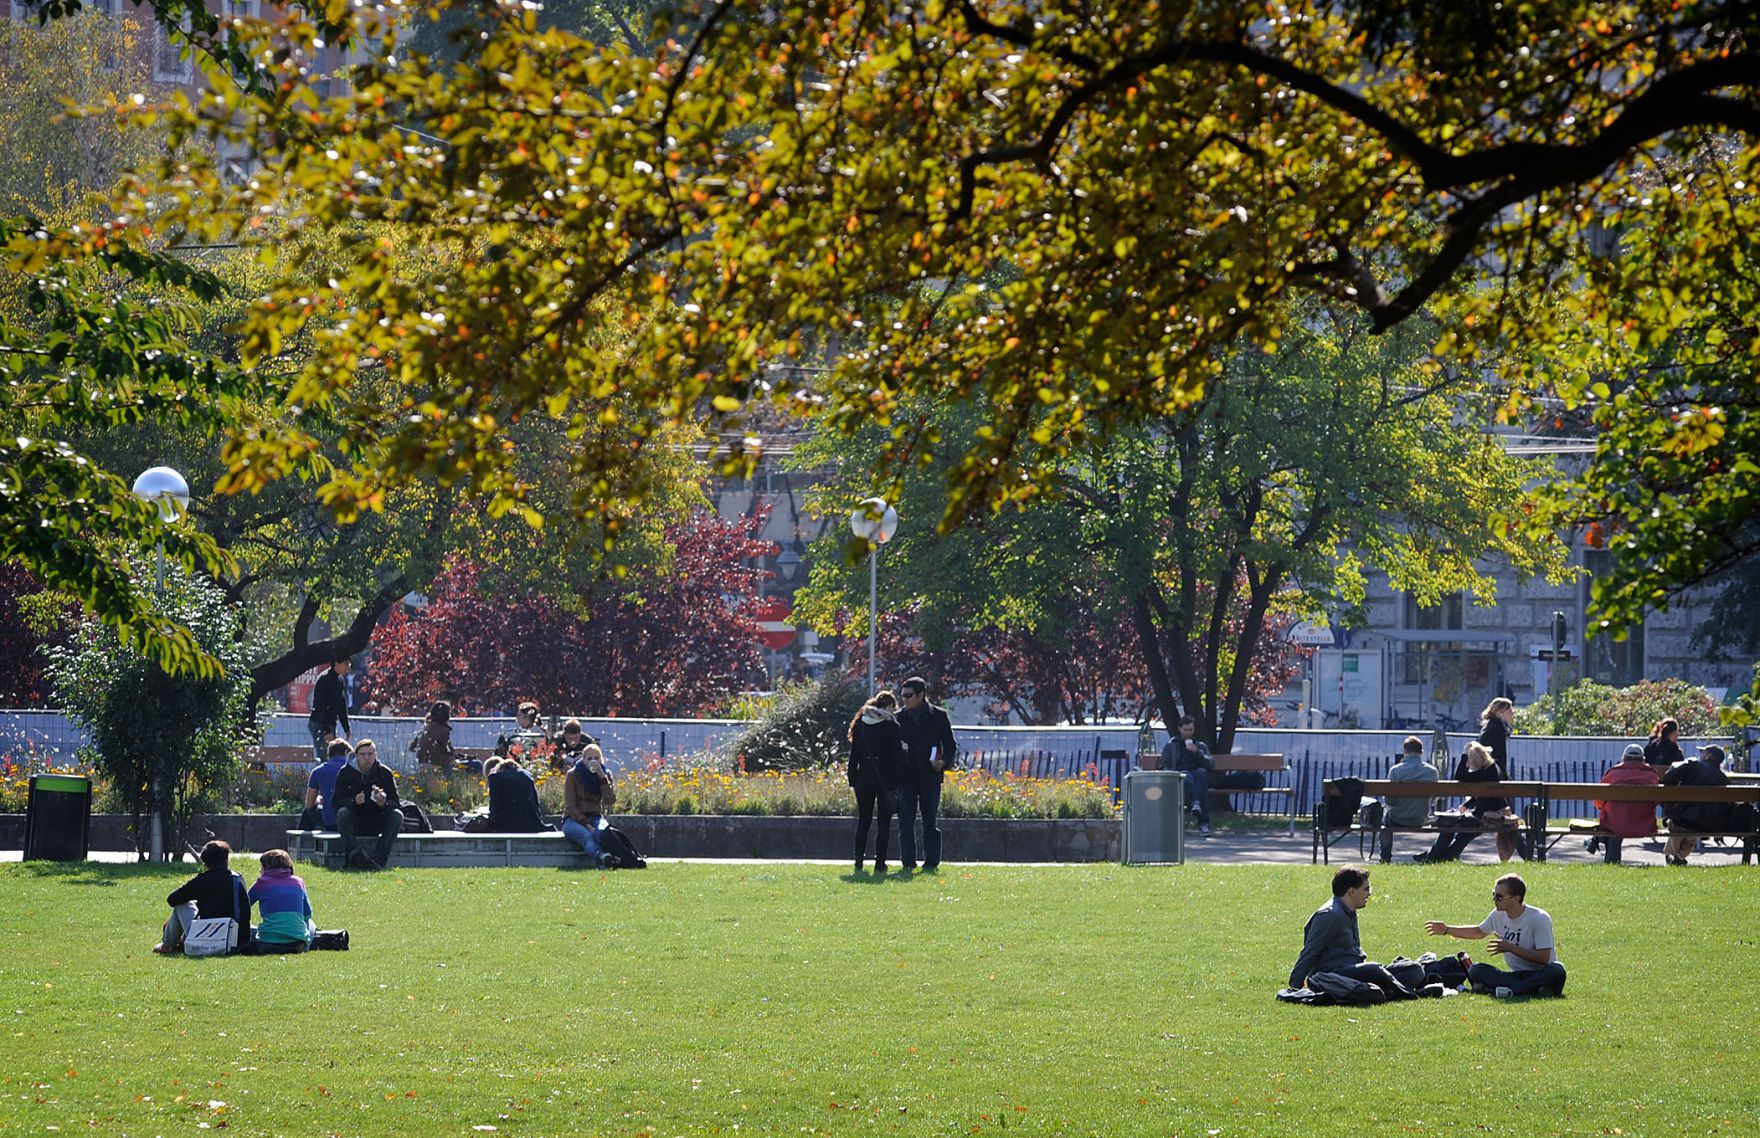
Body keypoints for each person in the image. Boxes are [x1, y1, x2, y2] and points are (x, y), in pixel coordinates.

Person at [1424, 873, 1566, 997]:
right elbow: (1478, 932)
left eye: (1499, 897)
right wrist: (1447, 929)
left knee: (1557, 970)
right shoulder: (1498, 915)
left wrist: (1510, 948)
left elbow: (1544, 958)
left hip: (1541, 973)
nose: (1494, 900)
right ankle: (1533, 990)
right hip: (1515, 975)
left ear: (1516, 898)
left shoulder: (1539, 918)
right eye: (1494, 895)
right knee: (1476, 970)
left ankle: (1504, 990)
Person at [1288, 865, 1418, 999]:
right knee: (1373, 969)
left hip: (1354, 970)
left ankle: (1385, 991)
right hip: (1333, 975)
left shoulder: (1349, 909)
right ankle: (1409, 994)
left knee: (1414, 969)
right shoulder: (1330, 915)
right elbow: (1310, 951)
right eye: (1366, 889)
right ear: (1351, 891)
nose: (1370, 893)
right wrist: (1295, 985)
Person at [1413, 742, 1515, 863]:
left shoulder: (1486, 772)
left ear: (1475, 760)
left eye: (1469, 761)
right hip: (1489, 813)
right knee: (1458, 831)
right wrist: (1466, 805)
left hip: (1486, 816)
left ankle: (1432, 857)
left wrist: (1464, 754)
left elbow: (1460, 775)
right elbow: (1484, 794)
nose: (1468, 764)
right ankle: (1434, 857)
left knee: (1450, 824)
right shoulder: (1490, 769)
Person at [896, 676, 958, 871]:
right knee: (905, 822)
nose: (905, 700)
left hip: (930, 775)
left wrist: (944, 762)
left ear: (921, 695)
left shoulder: (938, 716)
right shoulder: (898, 718)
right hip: (905, 777)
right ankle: (908, 862)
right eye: (903, 696)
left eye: (909, 696)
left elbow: (950, 745)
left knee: (930, 821)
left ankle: (931, 862)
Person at [154, 840, 250, 955]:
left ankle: (168, 944)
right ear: (226, 860)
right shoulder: (238, 879)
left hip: (206, 937)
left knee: (182, 905)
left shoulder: (202, 881)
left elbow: (172, 900)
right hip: (235, 939)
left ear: (205, 864)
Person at [847, 690, 906, 874]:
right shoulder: (891, 726)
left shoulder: (860, 724)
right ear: (889, 706)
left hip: (863, 779)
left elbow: (854, 755)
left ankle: (858, 860)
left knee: (863, 821)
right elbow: (897, 756)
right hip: (885, 781)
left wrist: (852, 779)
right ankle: (880, 862)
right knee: (883, 823)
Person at [330, 738, 404, 870]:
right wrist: (353, 801)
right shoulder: (345, 772)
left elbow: (396, 802)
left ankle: (379, 859)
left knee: (397, 815)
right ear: (356, 756)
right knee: (342, 813)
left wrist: (384, 803)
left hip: (377, 819)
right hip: (355, 819)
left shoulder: (384, 773)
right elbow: (336, 801)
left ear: (375, 755)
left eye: (370, 754)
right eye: (363, 755)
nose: (367, 758)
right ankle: (353, 858)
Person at [1588, 742, 1661, 859]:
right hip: (1643, 824)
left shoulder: (1613, 773)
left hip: (1614, 824)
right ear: (1643, 759)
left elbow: (1598, 801)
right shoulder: (1651, 775)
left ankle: (1603, 849)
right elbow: (1656, 801)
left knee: (1612, 821)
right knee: (1614, 821)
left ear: (1624, 758)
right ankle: (1598, 841)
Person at [1661, 743, 1730, 865]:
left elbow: (1668, 777)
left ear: (1708, 755)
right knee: (1692, 832)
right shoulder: (1723, 778)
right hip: (1706, 825)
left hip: (1681, 818)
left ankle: (1671, 855)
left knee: (1679, 827)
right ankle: (1679, 857)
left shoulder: (1692, 765)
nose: (1700, 754)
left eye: (1702, 752)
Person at [561, 742, 621, 868]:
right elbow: (570, 805)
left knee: (603, 833)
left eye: (596, 758)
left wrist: (602, 779)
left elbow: (609, 801)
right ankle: (602, 857)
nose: (593, 761)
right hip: (573, 819)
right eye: (589, 758)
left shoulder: (605, 774)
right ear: (583, 760)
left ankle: (613, 859)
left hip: (595, 816)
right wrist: (585, 823)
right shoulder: (573, 774)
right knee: (587, 836)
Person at [248, 848, 315, 953]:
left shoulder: (261, 883)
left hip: (267, 944)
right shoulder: (298, 882)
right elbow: (307, 914)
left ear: (266, 868)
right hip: (298, 944)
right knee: (311, 924)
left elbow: (244, 905)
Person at [1160, 716, 1215, 835]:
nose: (1188, 733)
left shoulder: (1200, 745)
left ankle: (1196, 804)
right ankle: (1203, 823)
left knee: (1202, 774)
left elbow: (1210, 765)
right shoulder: (1172, 745)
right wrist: (1172, 774)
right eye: (1185, 730)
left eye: (1190, 730)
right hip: (1178, 777)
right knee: (1201, 789)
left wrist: (1197, 752)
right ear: (1179, 729)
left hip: (1196, 776)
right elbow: (1164, 764)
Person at [1384, 735, 1438, 829]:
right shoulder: (1432, 771)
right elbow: (1433, 800)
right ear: (1421, 752)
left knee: (1385, 817)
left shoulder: (1395, 770)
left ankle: (1386, 844)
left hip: (1397, 818)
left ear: (1405, 752)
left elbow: (1389, 801)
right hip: (1420, 819)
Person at [487, 755, 552, 832]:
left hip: (508, 825)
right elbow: (535, 803)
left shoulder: (495, 777)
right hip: (532, 823)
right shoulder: (527, 775)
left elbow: (495, 806)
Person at [300, 738, 351, 830]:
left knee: (307, 812)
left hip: (331, 823)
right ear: (347, 752)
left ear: (329, 754)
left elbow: (309, 804)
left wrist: (319, 800)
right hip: (354, 822)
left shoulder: (318, 771)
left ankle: (302, 842)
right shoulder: (355, 769)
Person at [308, 657, 352, 760]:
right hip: (319, 723)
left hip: (330, 723)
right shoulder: (324, 679)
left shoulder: (340, 680)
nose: (348, 667)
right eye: (346, 664)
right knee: (325, 757)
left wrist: (346, 727)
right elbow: (319, 706)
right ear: (336, 663)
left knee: (335, 755)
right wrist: (326, 731)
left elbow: (341, 705)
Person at [409, 700, 458, 769]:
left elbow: (412, 747)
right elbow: (449, 751)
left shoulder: (425, 728)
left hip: (422, 763)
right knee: (475, 765)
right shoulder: (443, 730)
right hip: (437, 764)